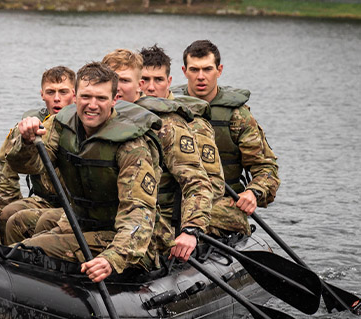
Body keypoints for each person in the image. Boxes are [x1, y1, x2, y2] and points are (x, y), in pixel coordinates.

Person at [7, 62, 160, 283]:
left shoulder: (131, 146)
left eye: (101, 98)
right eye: (86, 97)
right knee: (22, 238)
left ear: (115, 99)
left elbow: (139, 211)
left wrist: (112, 258)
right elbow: (27, 166)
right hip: (81, 224)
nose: (92, 105)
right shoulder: (61, 127)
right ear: (76, 96)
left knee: (31, 249)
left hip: (121, 237)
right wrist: (26, 141)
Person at [103, 48, 212, 262]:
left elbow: (198, 183)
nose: (116, 88)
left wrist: (191, 230)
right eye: (111, 80)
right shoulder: (95, 118)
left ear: (138, 84)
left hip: (152, 224)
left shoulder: (167, 125)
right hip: (105, 218)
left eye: (123, 81)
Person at [174, 39, 279, 236]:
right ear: (184, 71)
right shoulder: (168, 108)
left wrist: (253, 192)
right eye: (194, 70)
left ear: (219, 70)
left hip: (219, 202)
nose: (201, 77)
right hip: (174, 202)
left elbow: (266, 169)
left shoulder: (237, 116)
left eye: (207, 69)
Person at [0, 66, 75, 244]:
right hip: (45, 199)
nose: (57, 98)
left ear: (75, 94)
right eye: (50, 92)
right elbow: (6, 164)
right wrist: (9, 202)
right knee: (7, 214)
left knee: (40, 222)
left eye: (63, 92)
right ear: (42, 95)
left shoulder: (82, 122)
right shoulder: (30, 125)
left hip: (72, 202)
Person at [140, 44, 225, 205]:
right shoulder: (127, 118)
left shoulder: (193, 123)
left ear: (169, 81)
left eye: (158, 80)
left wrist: (188, 224)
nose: (151, 87)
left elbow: (214, 185)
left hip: (171, 215)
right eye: (145, 80)